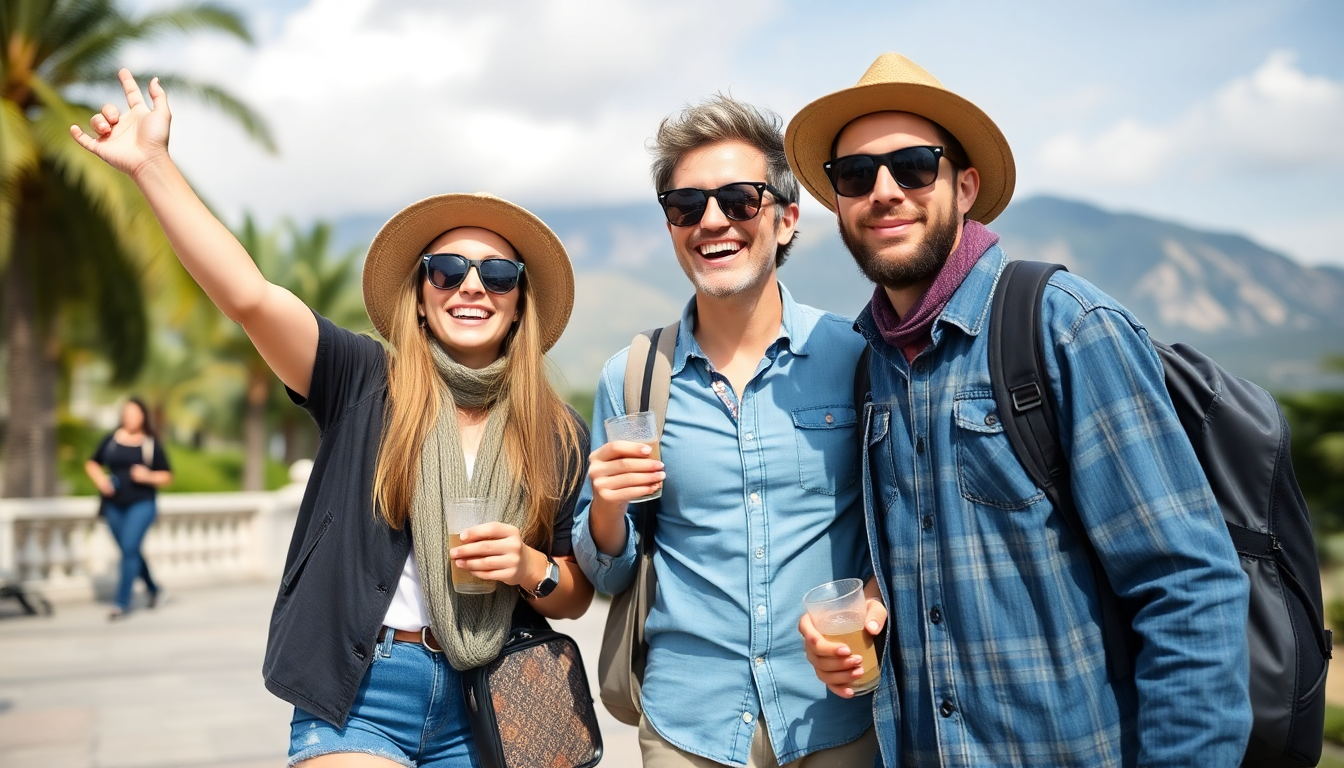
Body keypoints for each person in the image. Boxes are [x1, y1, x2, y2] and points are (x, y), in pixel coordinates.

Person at [72, 70, 593, 768]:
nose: (472, 286)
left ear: (519, 303)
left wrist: (529, 566)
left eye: (498, 275)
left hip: (486, 702)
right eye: (448, 270)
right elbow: (251, 297)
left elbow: (574, 592)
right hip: (363, 695)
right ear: (419, 297)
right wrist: (152, 166)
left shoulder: (555, 430)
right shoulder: (362, 380)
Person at [788, 54, 1252, 766]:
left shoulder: (1064, 328)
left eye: (913, 166)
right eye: (856, 175)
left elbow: (1188, 588)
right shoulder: (870, 364)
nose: (883, 191)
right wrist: (871, 618)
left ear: (965, 186)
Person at [573, 95, 879, 767]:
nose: (712, 220)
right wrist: (607, 506)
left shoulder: (857, 357)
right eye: (686, 206)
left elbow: (902, 519)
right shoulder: (629, 378)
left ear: (787, 219)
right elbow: (606, 569)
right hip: (690, 726)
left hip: (837, 718)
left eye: (740, 199)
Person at [84, 397, 173, 620]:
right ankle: (155, 590)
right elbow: (92, 463)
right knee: (129, 550)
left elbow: (167, 475)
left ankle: (121, 603)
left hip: (142, 503)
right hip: (113, 505)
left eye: (135, 413)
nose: (130, 417)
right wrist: (101, 481)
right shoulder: (112, 439)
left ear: (143, 415)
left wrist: (147, 476)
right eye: (127, 413)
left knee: (130, 546)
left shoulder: (151, 443)